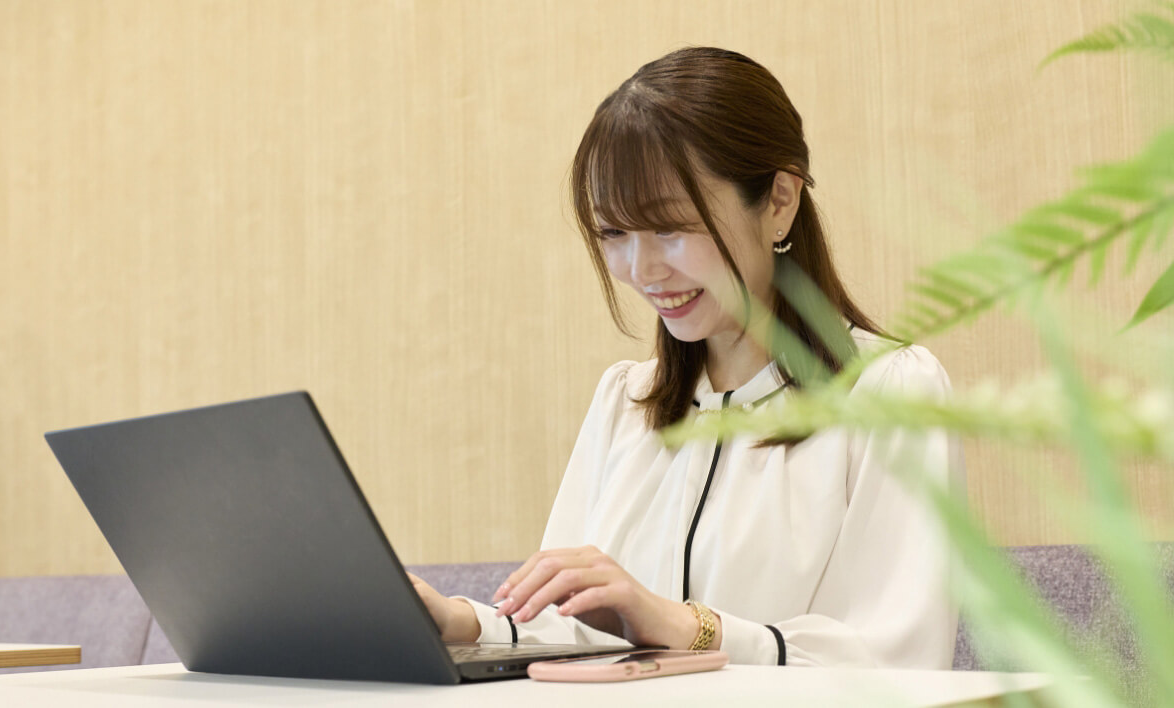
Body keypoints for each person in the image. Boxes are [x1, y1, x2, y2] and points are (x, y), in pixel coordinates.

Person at [410, 46, 964, 668]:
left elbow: (898, 658)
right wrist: (459, 622)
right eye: (614, 233)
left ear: (780, 201)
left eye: (669, 228)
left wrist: (691, 628)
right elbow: (573, 626)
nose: (642, 270)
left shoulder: (892, 393)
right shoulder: (626, 402)